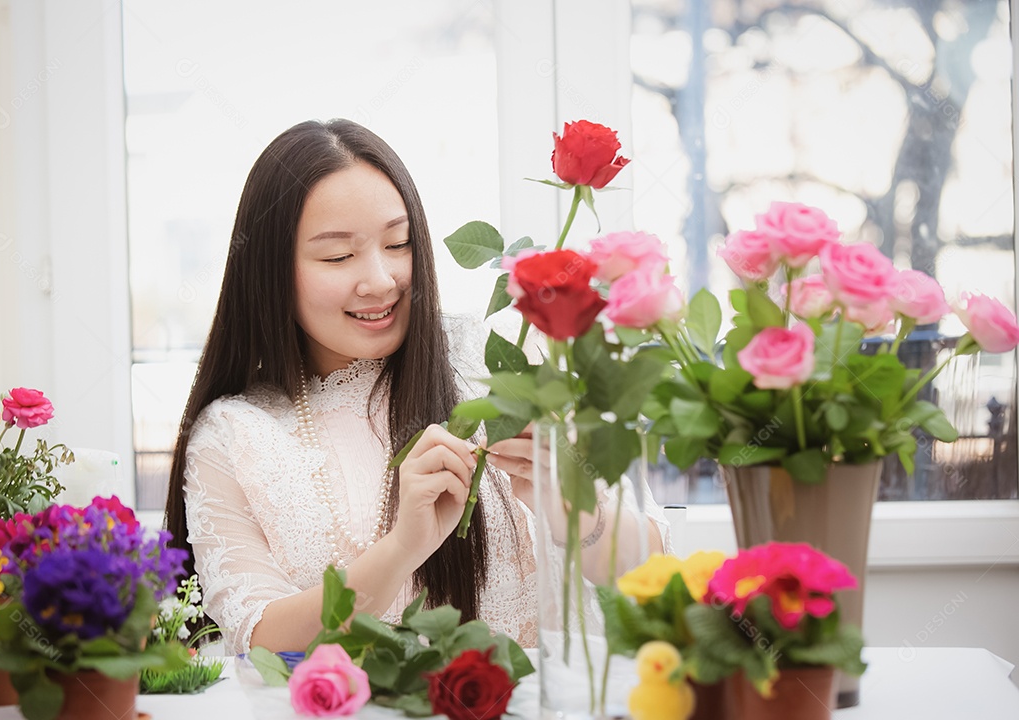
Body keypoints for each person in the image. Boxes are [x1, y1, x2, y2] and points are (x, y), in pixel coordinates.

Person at [164, 118, 668, 655]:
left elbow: (655, 571)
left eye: (398, 243)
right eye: (338, 255)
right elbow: (258, 637)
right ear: (270, 269)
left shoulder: (493, 358)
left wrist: (573, 509)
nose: (380, 280)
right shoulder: (233, 435)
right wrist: (402, 547)